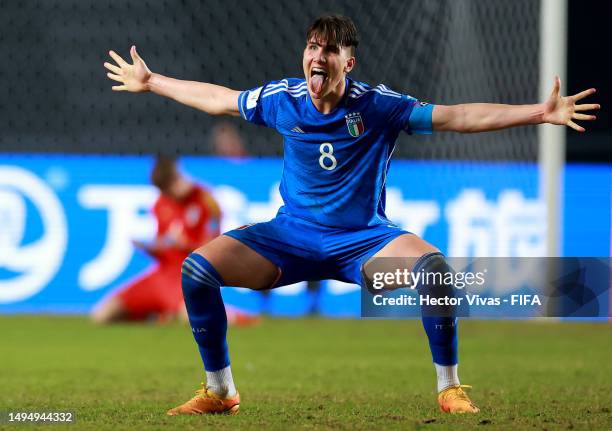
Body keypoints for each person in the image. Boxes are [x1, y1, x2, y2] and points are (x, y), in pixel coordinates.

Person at [104, 15, 599, 415]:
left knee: (435, 271)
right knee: (197, 270)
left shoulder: (380, 106)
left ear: (348, 62)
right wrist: (152, 82)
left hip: (362, 242)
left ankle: (449, 387)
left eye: (328, 50)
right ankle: (220, 391)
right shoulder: (283, 100)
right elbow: (221, 102)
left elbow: (455, 116)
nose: (317, 57)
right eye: (312, 48)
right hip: (290, 237)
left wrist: (538, 113)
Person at [91, 157, 255, 326]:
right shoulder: (160, 204)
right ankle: (158, 316)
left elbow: (213, 251)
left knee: (189, 315)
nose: (171, 191)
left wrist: (184, 245)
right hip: (160, 276)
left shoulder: (207, 201)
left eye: (173, 182)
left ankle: (240, 318)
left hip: (187, 276)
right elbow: (163, 245)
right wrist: (150, 247)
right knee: (103, 314)